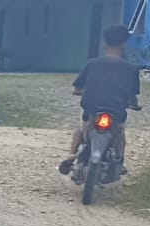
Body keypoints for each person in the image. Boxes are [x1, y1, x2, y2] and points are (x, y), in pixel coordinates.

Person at [60, 25, 140, 176]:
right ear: (124, 44)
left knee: (81, 127)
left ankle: (71, 154)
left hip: (91, 110)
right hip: (116, 112)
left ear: (104, 44)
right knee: (120, 133)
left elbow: (77, 87)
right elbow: (132, 96)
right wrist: (134, 105)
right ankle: (119, 159)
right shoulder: (131, 69)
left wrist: (80, 92)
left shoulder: (92, 64)